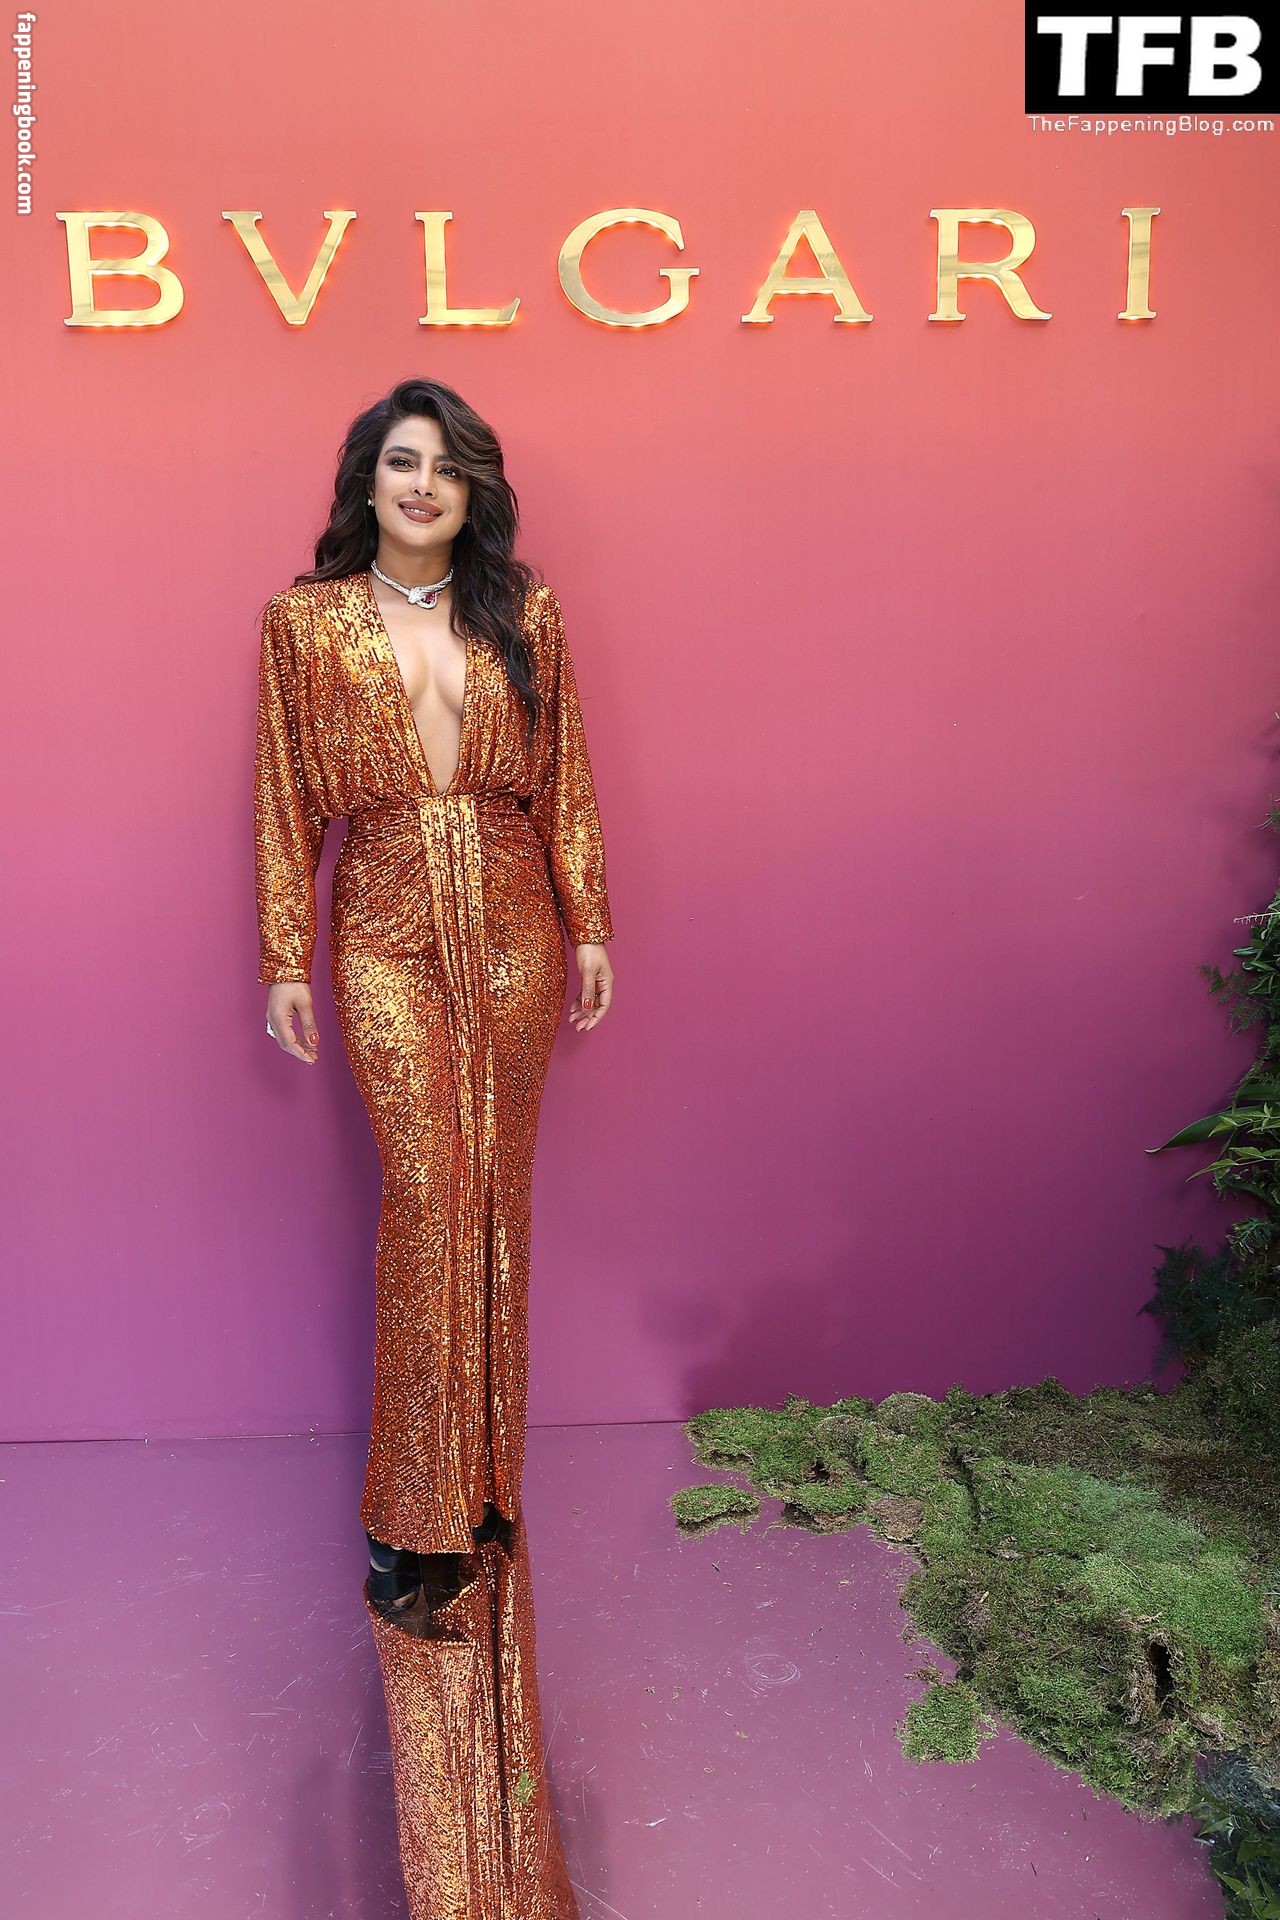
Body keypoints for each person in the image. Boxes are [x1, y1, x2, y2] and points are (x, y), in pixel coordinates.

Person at [253, 376, 614, 1917]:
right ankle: (412, 1520)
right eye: (401, 463)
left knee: (497, 1208)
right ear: (368, 481)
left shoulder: (526, 614)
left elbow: (568, 779)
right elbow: (285, 803)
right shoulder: (304, 624)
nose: (422, 486)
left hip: (516, 923)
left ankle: (486, 1486)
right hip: (388, 925)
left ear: (476, 493)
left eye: (448, 469)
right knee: (426, 1197)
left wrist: (593, 922)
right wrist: (286, 954)